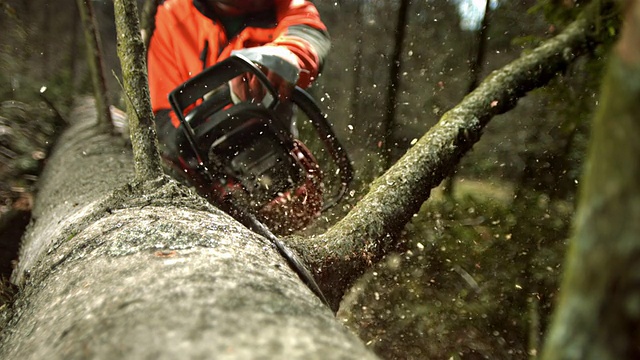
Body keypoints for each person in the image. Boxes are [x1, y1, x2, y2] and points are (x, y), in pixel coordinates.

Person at [147, 0, 331, 234]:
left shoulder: (287, 5)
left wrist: (285, 56)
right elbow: (163, 110)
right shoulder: (173, 15)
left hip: (270, 168)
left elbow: (306, 33)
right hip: (201, 170)